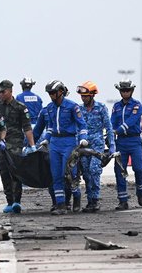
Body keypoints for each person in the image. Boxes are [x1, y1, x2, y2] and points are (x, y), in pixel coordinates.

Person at [41, 80, 88, 215]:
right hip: (55, 143)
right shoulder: (49, 108)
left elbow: (82, 124)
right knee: (56, 175)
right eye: (49, 93)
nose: (51, 95)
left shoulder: (73, 106)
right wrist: (46, 140)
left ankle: (77, 197)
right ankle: (61, 205)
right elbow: (50, 127)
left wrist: (83, 138)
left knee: (69, 174)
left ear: (60, 92)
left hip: (69, 142)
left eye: (53, 93)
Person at [0, 80, 36, 214]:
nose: (0, 94)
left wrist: (32, 145)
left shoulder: (20, 107)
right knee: (4, 173)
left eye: (2, 92)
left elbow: (27, 127)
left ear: (10, 91)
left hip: (15, 143)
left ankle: (17, 201)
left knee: (15, 173)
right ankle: (9, 201)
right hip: (0, 144)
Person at [76, 81, 115, 212]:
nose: (83, 98)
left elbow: (109, 128)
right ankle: (90, 201)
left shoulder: (101, 108)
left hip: (97, 146)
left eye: (86, 96)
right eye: (82, 96)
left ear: (92, 95)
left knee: (94, 170)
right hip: (83, 146)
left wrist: (112, 146)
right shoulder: (79, 109)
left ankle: (96, 199)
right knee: (86, 173)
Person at [111, 79, 142, 210]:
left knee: (138, 167)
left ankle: (140, 193)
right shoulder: (116, 106)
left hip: (134, 140)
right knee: (119, 170)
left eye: (127, 90)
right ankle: (122, 200)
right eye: (123, 90)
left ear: (131, 91)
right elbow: (112, 122)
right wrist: (111, 133)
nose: (125, 93)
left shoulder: (137, 105)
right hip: (120, 142)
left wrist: (119, 129)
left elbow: (132, 120)